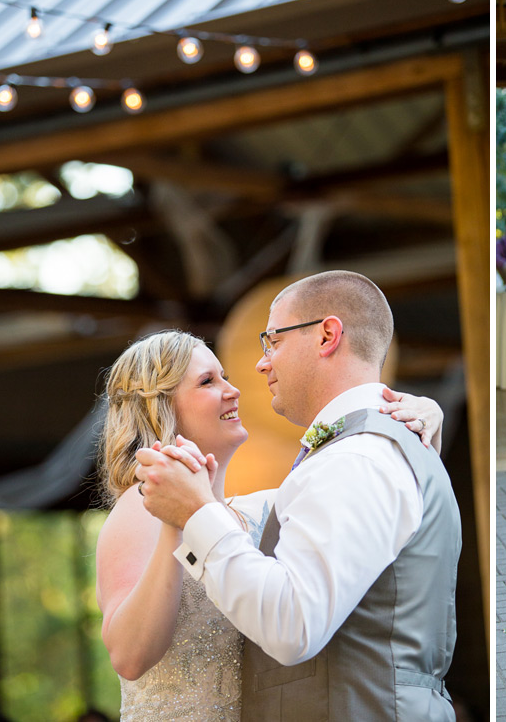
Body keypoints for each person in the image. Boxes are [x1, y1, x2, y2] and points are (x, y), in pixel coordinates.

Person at [134, 270, 462, 720]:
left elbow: (293, 627)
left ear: (327, 336)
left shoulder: (359, 459)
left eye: (273, 341)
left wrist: (195, 512)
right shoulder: (360, 451)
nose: (260, 363)